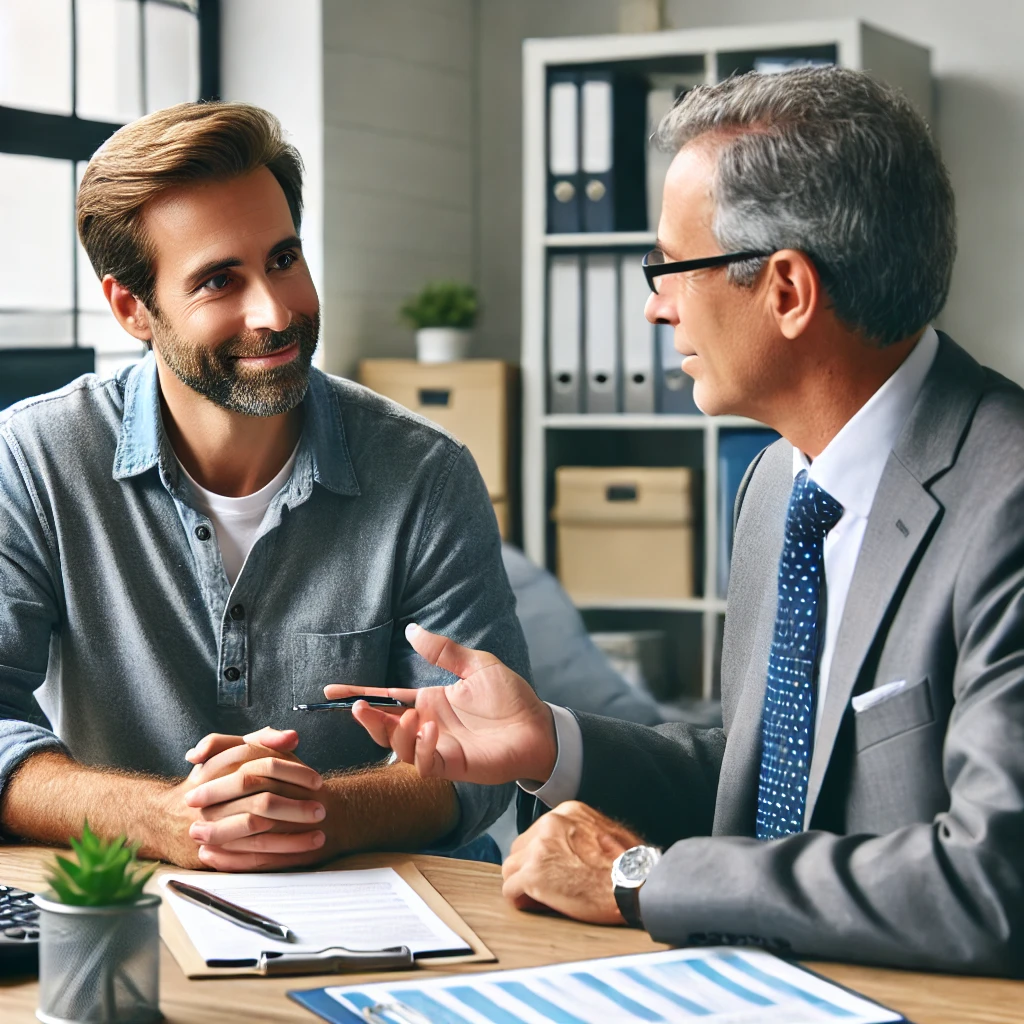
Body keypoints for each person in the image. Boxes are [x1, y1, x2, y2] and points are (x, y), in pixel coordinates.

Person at [335, 67, 1024, 976]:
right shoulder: (777, 484)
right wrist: (549, 742)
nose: (656, 305)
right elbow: (762, 779)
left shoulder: (1005, 500)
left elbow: (991, 881)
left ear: (786, 290)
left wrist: (639, 879)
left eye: (670, 267)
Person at [0, 102, 528, 871]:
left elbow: (482, 763)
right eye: (220, 280)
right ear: (130, 309)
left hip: (392, 909)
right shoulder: (33, 460)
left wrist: (305, 812)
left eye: (283, 259)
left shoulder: (425, 474)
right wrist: (160, 817)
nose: (275, 312)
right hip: (131, 898)